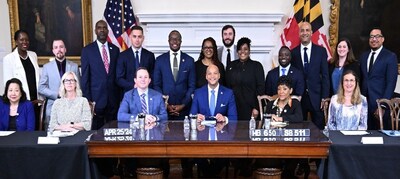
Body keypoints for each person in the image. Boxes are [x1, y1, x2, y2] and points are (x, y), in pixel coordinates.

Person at [117, 67, 168, 177]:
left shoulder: (157, 95)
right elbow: (120, 115)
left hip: (155, 139)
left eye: (146, 77)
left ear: (150, 80)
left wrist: (155, 117)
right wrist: (140, 117)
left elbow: (164, 116)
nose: (143, 79)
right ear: (135, 80)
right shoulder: (128, 95)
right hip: (135, 140)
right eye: (140, 77)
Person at [190, 64, 237, 177]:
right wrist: (197, 117)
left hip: (222, 136)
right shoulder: (198, 92)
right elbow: (191, 114)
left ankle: (209, 175)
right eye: (209, 73)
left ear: (219, 75)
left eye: (215, 73)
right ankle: (212, 175)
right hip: (202, 135)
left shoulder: (228, 93)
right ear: (206, 76)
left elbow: (234, 117)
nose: (212, 76)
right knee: (197, 154)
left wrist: (224, 118)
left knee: (225, 154)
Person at [256, 75, 302, 178]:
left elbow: (299, 117)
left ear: (290, 90)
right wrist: (268, 120)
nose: (281, 92)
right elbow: (264, 121)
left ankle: (287, 174)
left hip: (289, 140)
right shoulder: (271, 104)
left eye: (285, 89)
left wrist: (281, 118)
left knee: (295, 153)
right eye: (279, 89)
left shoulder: (295, 103)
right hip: (272, 140)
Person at [81, 20, 120, 130]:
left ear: (108, 31)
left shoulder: (115, 50)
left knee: (112, 131)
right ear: (95, 31)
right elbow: (85, 77)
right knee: (96, 133)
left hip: (113, 100)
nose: (102, 30)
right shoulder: (87, 50)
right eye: (99, 28)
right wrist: (88, 100)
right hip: (96, 100)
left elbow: (117, 75)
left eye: (104, 28)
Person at [291, 21, 329, 130]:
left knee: (318, 131)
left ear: (312, 32)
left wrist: (324, 97)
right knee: (298, 129)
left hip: (317, 98)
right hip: (299, 98)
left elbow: (325, 75)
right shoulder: (293, 53)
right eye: (302, 30)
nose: (304, 33)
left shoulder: (321, 51)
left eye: (307, 30)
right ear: (299, 33)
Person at [360, 28, 398, 130]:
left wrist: (383, 105)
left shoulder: (390, 56)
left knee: (379, 138)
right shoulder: (364, 56)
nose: (374, 39)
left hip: (379, 105)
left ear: (382, 39)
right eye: (371, 37)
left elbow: (391, 83)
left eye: (377, 36)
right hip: (364, 105)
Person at [153, 30, 196, 120]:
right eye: (172, 39)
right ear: (168, 41)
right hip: (164, 111)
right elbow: (156, 85)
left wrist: (183, 105)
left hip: (184, 110)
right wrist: (166, 104)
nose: (175, 41)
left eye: (177, 39)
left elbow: (192, 86)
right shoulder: (159, 60)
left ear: (181, 41)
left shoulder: (189, 60)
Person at [39, 39, 80, 130]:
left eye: (61, 47)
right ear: (53, 51)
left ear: (65, 49)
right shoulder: (47, 67)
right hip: (53, 106)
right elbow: (41, 88)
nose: (59, 50)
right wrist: (56, 94)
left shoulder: (74, 66)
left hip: (72, 106)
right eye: (56, 47)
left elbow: (78, 87)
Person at [225, 37, 265, 120]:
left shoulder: (257, 66)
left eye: (245, 49)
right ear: (237, 51)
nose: (242, 52)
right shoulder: (231, 66)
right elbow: (227, 87)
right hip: (234, 108)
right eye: (240, 49)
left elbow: (261, 88)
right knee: (234, 132)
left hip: (251, 108)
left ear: (249, 51)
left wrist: (256, 107)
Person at [3, 30, 40, 101]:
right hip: (20, 100)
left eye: (27, 40)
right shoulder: (8, 59)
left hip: (36, 99)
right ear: (16, 42)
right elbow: (8, 84)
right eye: (21, 40)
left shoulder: (33, 55)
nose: (25, 42)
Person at [116, 25, 156, 93]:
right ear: (130, 37)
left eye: (139, 37)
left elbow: (153, 76)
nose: (137, 40)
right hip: (128, 94)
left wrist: (144, 86)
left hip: (146, 93)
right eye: (134, 36)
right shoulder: (122, 56)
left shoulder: (150, 56)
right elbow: (119, 79)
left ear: (143, 38)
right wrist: (134, 85)